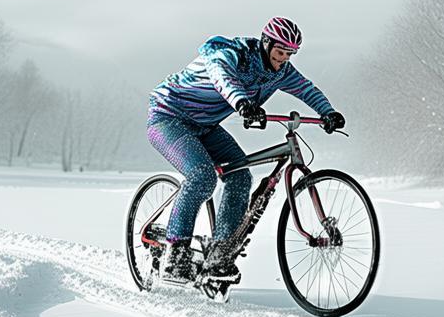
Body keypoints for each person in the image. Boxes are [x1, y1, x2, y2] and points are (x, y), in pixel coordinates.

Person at [147, 16, 345, 283]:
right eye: (280, 51)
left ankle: (219, 254)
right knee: (202, 177)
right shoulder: (233, 55)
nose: (284, 59)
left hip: (206, 126)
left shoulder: (281, 71)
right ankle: (176, 252)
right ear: (266, 43)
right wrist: (242, 103)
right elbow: (222, 78)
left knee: (240, 175)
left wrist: (328, 112)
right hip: (168, 117)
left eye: (290, 54)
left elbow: (306, 89)